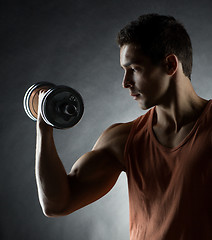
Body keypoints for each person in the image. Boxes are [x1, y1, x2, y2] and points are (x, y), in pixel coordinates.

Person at [35, 14, 212, 240]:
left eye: (134, 69)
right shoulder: (123, 139)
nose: (125, 82)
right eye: (124, 70)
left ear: (170, 65)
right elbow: (57, 204)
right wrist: (44, 126)